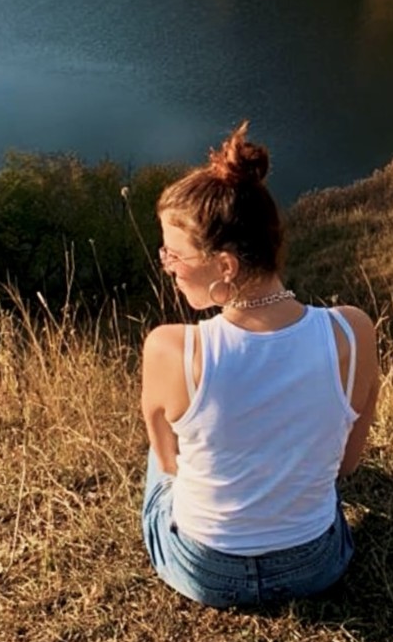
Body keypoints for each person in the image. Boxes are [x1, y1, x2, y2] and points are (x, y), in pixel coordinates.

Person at [141, 121, 379, 608]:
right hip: (315, 565)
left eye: (174, 254)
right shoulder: (352, 332)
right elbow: (347, 466)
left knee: (160, 446)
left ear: (225, 266)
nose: (166, 265)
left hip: (205, 570)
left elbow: (170, 465)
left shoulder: (171, 348)